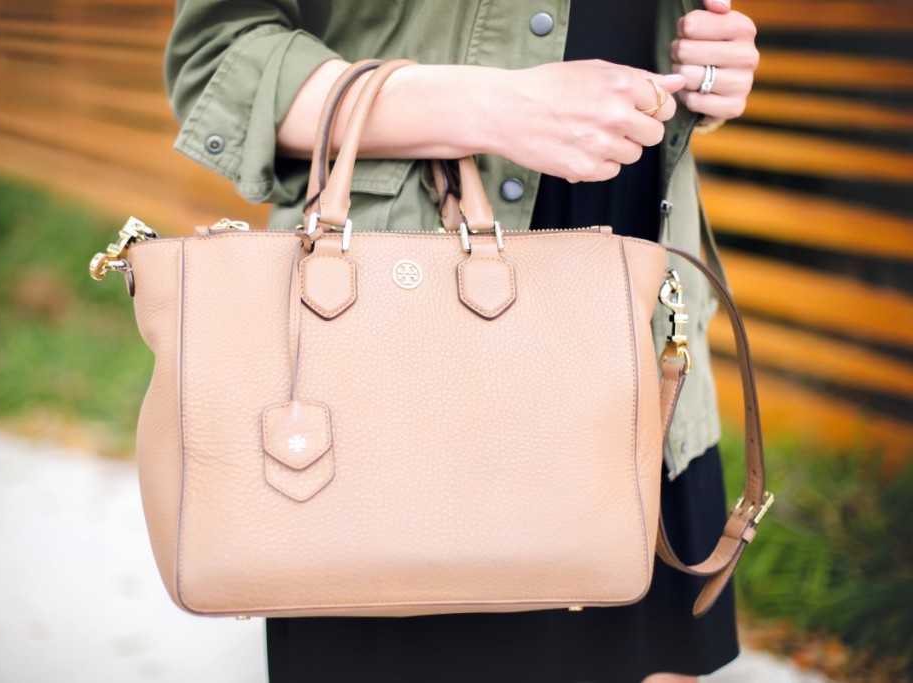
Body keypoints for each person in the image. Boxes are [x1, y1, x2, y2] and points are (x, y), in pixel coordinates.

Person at [164, 1, 759, 681]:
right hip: (395, 353)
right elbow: (218, 61)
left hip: (635, 337)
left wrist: (707, 75)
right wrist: (494, 105)